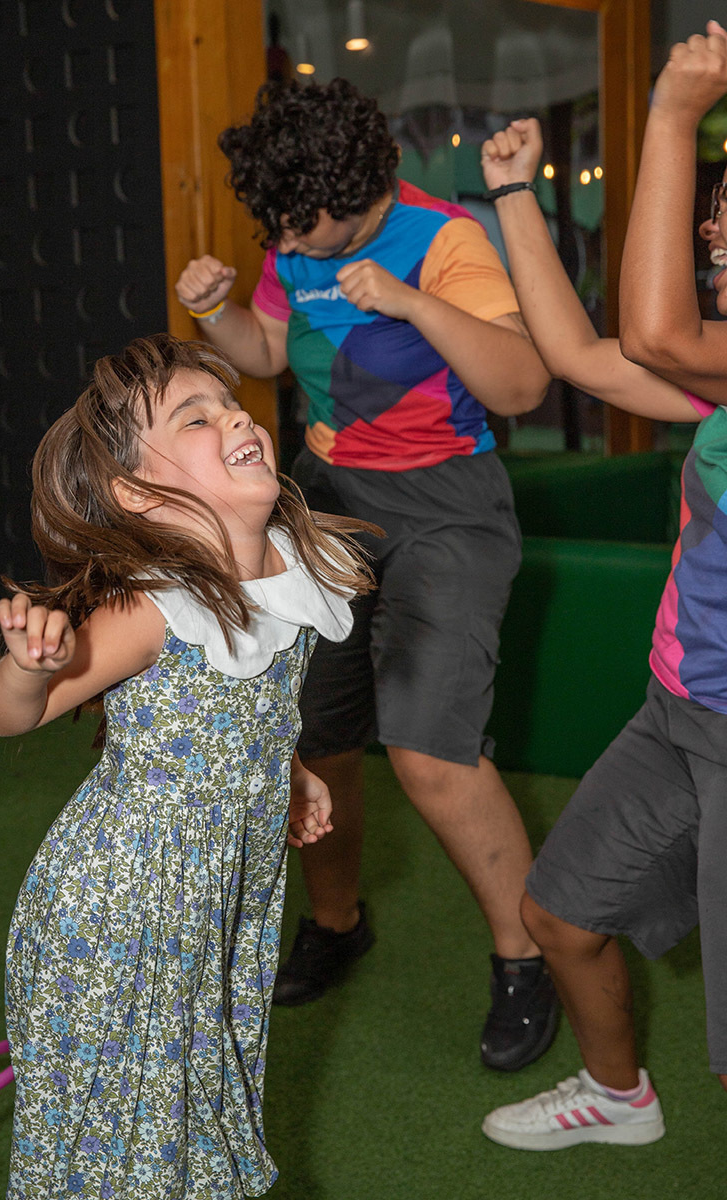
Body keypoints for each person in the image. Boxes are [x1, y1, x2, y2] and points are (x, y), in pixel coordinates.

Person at [174, 76, 558, 1072]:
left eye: (304, 227)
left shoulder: (445, 242)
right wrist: (219, 314)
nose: (289, 247)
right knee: (316, 737)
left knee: (430, 754)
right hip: (325, 502)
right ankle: (336, 924)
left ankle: (527, 958)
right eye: (277, 231)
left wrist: (407, 301)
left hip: (445, 509)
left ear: (356, 192)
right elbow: (266, 347)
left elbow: (521, 381)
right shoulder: (292, 238)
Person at [0, 334, 375, 1198]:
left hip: (213, 901)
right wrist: (24, 669)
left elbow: (255, 710)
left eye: (231, 405)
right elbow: (10, 718)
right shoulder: (157, 606)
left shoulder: (293, 571)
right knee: (126, 1141)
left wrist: (292, 770)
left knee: (189, 1116)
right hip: (123, 912)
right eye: (196, 417)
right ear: (139, 494)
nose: (236, 416)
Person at [478, 81, 727, 1152]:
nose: (709, 221)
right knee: (557, 916)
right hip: (675, 711)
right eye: (708, 202)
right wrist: (511, 197)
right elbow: (588, 360)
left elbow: (659, 336)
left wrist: (669, 114)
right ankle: (618, 1095)